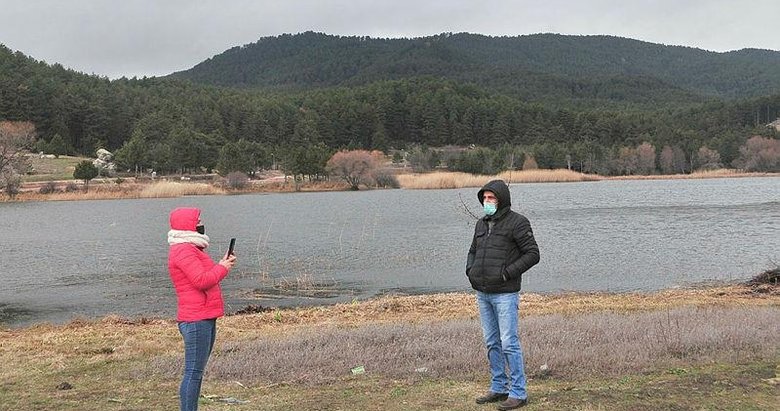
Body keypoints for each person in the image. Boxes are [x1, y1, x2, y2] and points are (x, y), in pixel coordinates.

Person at [466, 180, 540, 410]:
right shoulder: (481, 224)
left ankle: (518, 392)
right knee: (492, 342)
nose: (487, 202)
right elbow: (473, 251)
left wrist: (507, 274)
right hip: (483, 292)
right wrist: (470, 271)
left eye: (491, 198)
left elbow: (533, 254)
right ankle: (499, 387)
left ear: (502, 199)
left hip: (505, 294)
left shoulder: (518, 222)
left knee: (509, 343)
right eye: (485, 198)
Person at [167, 207, 236, 411]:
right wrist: (223, 268)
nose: (201, 223)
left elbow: (204, 275)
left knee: (196, 372)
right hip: (196, 320)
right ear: (187, 225)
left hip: (204, 316)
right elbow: (201, 281)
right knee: (193, 373)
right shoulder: (183, 251)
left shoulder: (191, 248)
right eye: (198, 220)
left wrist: (222, 264)